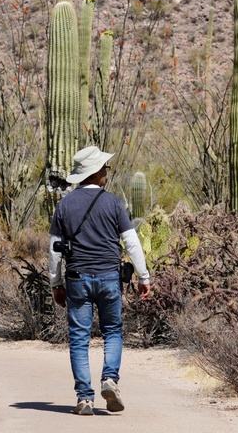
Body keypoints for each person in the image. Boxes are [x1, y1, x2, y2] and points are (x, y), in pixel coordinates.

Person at [48, 145, 152, 416]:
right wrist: (144, 277)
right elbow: (131, 242)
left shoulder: (64, 205)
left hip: (77, 279)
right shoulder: (114, 202)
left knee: (79, 338)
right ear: (96, 173)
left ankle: (84, 398)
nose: (107, 171)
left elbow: (54, 249)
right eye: (104, 168)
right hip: (109, 278)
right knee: (113, 331)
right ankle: (109, 380)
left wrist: (56, 284)